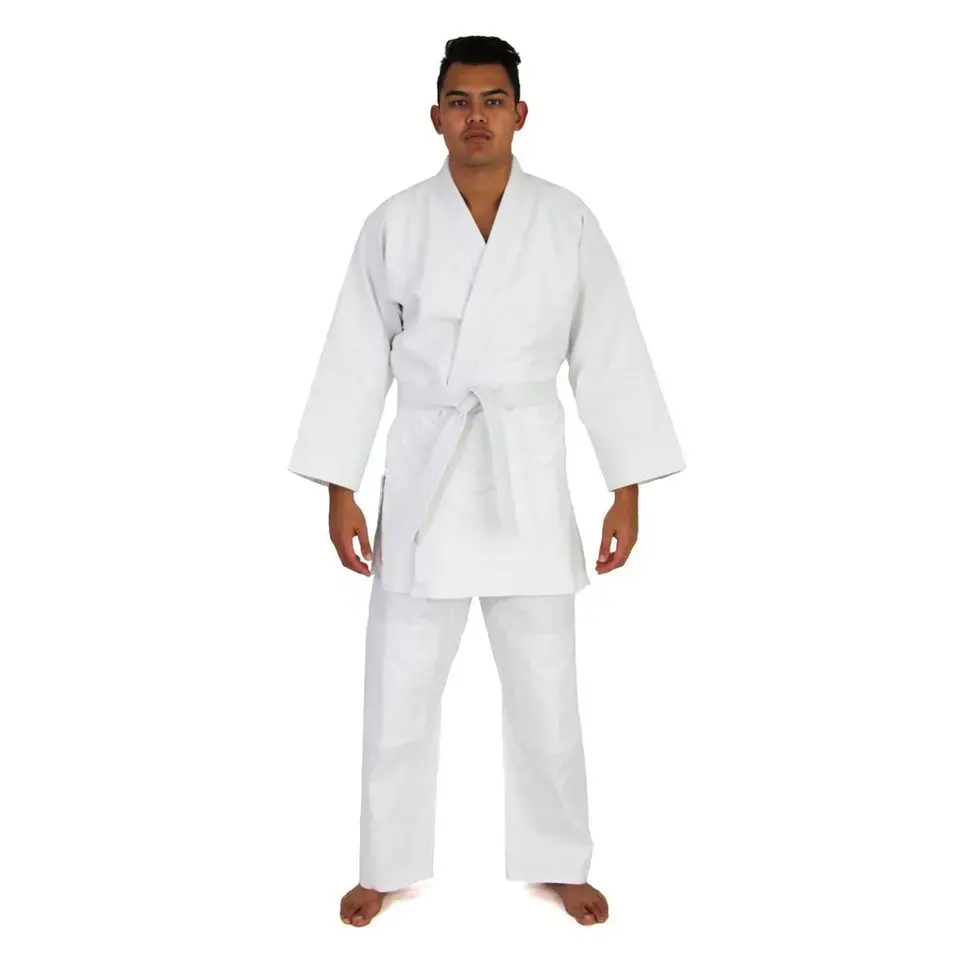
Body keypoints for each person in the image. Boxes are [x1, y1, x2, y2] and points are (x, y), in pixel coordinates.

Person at [287, 35, 685, 927]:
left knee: (546, 684)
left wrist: (626, 487)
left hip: (526, 471)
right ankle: (385, 865)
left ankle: (559, 860)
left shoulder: (566, 221)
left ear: (520, 113)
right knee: (399, 680)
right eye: (461, 101)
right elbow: (355, 358)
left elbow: (608, 351)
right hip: (424, 475)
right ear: (435, 116)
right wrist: (339, 487)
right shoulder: (393, 224)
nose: (477, 117)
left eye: (493, 100)